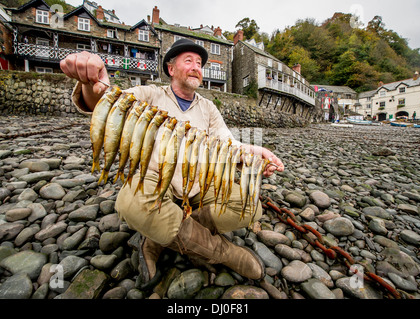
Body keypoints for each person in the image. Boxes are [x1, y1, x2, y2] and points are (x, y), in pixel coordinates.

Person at [60, 38, 284, 285]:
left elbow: (228, 144)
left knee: (251, 207)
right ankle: (223, 252)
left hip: (198, 185)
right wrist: (90, 81)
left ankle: (159, 236)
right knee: (129, 202)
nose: (196, 66)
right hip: (157, 182)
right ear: (171, 69)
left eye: (199, 63)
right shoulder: (150, 94)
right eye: (188, 60)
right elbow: (106, 102)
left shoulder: (208, 108)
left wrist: (253, 152)